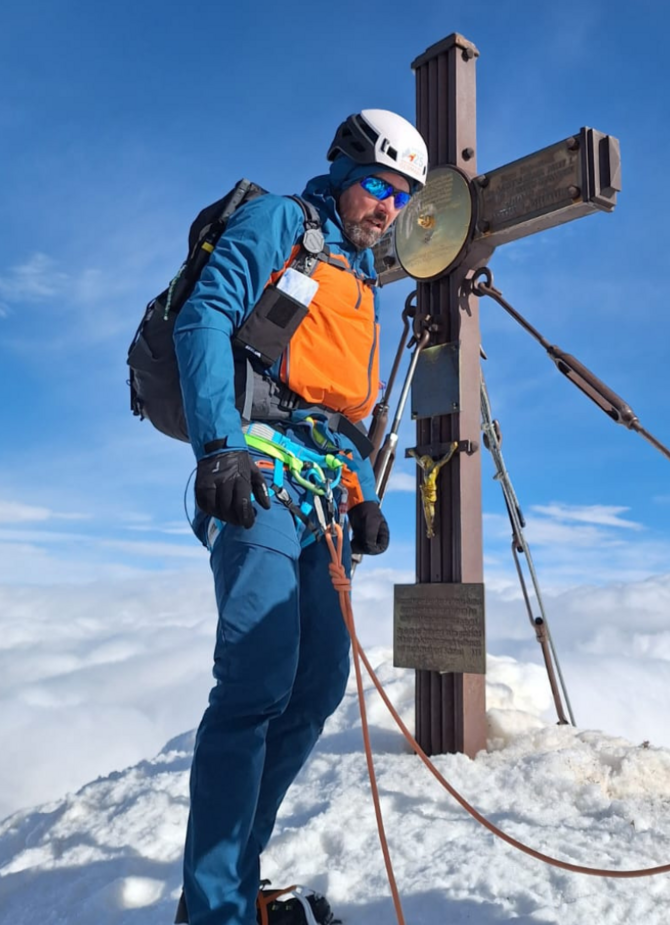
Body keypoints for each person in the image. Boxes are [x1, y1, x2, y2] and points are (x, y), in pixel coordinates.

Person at [172, 110, 429, 925]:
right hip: (253, 472)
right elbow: (205, 316)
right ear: (344, 172)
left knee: (315, 688)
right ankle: (212, 910)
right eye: (379, 185)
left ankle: (234, 882)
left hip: (321, 495)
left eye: (404, 197)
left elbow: (340, 417)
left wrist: (364, 495)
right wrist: (219, 446)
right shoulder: (284, 224)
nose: (388, 207)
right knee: (255, 683)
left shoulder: (361, 282)